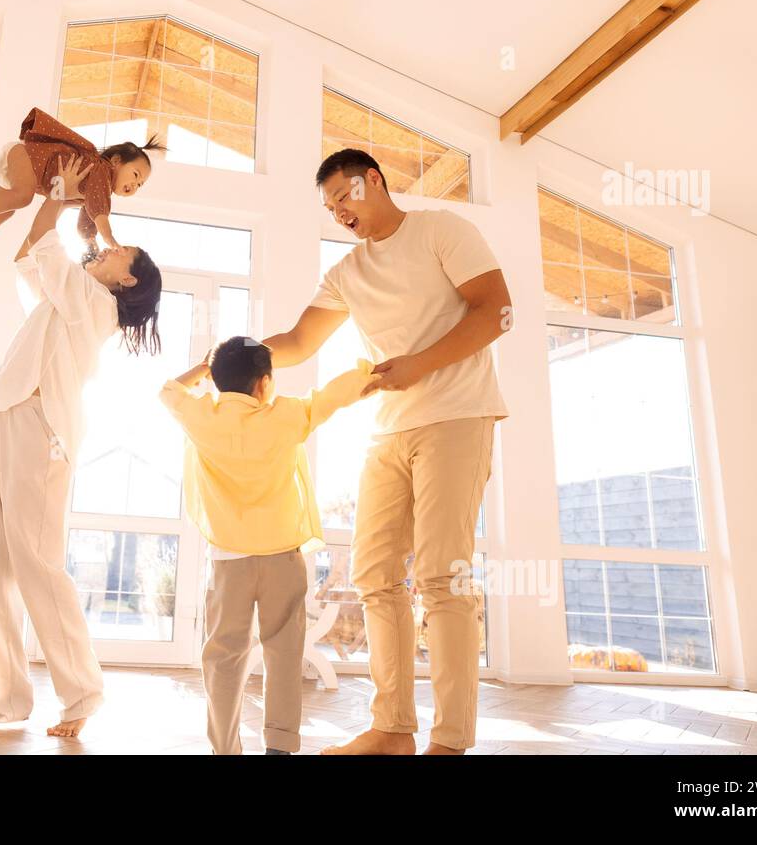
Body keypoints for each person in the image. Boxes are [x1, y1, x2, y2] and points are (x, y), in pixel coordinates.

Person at [261, 148, 510, 756]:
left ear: (373, 179)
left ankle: (450, 742)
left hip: (457, 415)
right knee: (374, 574)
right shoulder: (346, 272)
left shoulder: (441, 231)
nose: (339, 212)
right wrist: (231, 355)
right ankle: (393, 727)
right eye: (329, 208)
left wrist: (418, 365)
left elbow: (497, 311)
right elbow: (297, 340)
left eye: (345, 196)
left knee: (441, 576)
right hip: (388, 429)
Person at [0, 153, 163, 739]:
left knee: (37, 566)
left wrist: (60, 193)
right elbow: (29, 254)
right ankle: (3, 701)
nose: (107, 248)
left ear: (126, 281)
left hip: (41, 428)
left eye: (119, 253)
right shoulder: (68, 296)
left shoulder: (93, 304)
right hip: (6, 413)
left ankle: (82, 693)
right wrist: (59, 197)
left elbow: (44, 243)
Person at [159, 335, 373, 754]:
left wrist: (205, 367)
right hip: (282, 559)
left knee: (223, 657)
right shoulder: (286, 417)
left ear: (217, 379)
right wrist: (368, 374)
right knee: (284, 652)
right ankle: (279, 744)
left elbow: (168, 390)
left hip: (228, 563)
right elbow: (331, 397)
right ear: (263, 383)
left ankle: (225, 747)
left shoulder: (201, 417)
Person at [0, 106, 164, 272]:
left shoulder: (93, 190)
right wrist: (108, 237)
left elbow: (88, 216)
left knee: (6, 209)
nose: (134, 185)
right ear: (116, 161)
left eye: (139, 185)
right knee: (23, 196)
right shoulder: (101, 170)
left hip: (18, 168)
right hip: (23, 157)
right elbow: (99, 211)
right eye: (135, 175)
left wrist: (88, 238)